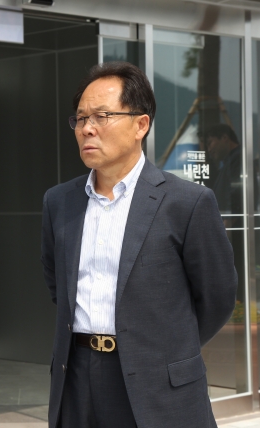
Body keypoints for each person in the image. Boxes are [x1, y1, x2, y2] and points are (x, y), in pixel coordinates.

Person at [41, 61, 237, 428]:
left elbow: (217, 297)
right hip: (77, 377)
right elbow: (58, 285)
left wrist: (168, 349)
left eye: (102, 116)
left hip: (158, 382)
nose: (87, 128)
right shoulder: (59, 201)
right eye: (80, 119)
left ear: (140, 125)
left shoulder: (187, 202)